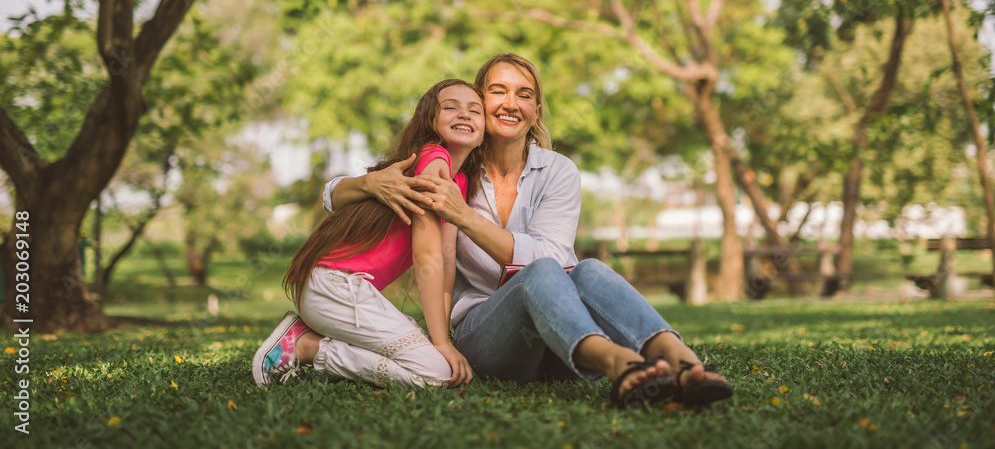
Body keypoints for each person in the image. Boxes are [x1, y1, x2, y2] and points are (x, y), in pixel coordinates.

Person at [320, 54, 734, 408]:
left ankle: (684, 364)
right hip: (490, 339)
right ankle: (620, 364)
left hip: (563, 340)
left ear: (536, 110)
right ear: (479, 101)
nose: (510, 103)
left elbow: (551, 258)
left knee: (586, 269)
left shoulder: (557, 171)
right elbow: (333, 191)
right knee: (541, 273)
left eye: (525, 94)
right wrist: (366, 184)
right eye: (498, 91)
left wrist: (463, 216)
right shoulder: (453, 165)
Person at [252, 79, 485, 389]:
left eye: (475, 110)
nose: (464, 115)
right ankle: (306, 347)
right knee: (436, 374)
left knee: (436, 362)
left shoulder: (460, 181)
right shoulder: (432, 158)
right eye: (450, 107)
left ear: (485, 129)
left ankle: (308, 336)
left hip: (338, 289)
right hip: (334, 286)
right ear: (430, 119)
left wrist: (442, 338)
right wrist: (440, 343)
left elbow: (444, 257)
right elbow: (427, 255)